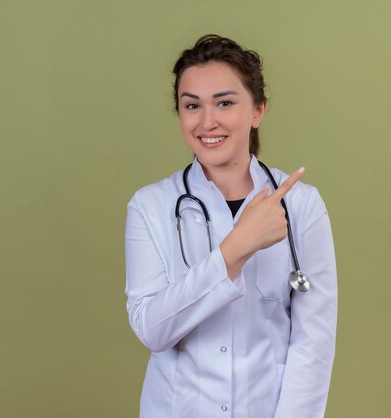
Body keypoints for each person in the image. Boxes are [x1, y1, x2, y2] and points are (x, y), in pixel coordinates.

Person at [125, 34, 337, 418]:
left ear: (257, 111)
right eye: (192, 105)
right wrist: (235, 248)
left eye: (224, 102)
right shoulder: (151, 206)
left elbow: (313, 344)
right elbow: (153, 330)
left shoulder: (302, 205)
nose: (208, 121)